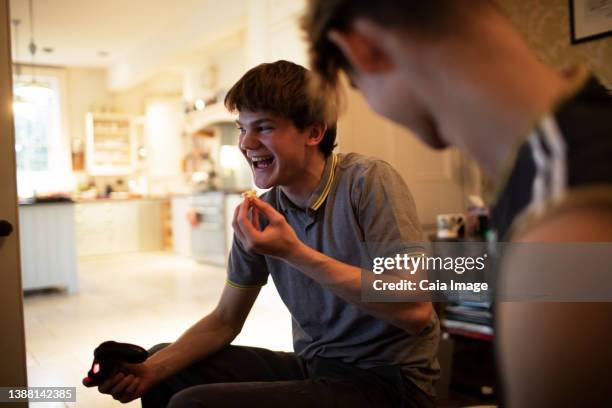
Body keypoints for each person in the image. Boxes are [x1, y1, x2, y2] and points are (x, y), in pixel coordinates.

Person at [302, 0, 612, 406]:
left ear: (363, 48)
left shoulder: (564, 223)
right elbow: (456, 276)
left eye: (358, 86)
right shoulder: (568, 146)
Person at [87, 60, 440, 407]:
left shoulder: (367, 182)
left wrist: (294, 252)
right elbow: (225, 320)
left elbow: (414, 310)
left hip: (390, 380)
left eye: (265, 127)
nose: (246, 143)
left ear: (314, 132)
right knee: (166, 363)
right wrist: (151, 370)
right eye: (242, 128)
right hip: (316, 367)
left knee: (195, 404)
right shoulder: (263, 213)